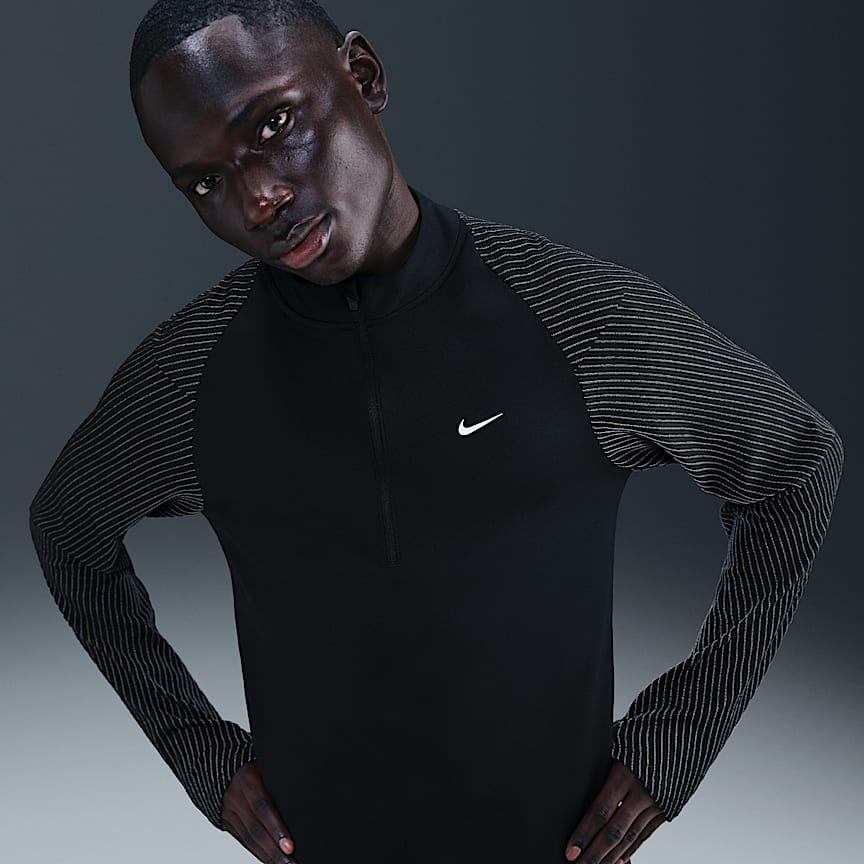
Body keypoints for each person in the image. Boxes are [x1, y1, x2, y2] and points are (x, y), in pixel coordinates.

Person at [27, 1, 844, 863]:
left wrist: (679, 737)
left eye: (274, 125)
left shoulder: (577, 320)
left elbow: (796, 466)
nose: (258, 197)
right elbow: (67, 532)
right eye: (205, 183)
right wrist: (202, 756)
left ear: (364, 76)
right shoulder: (194, 374)